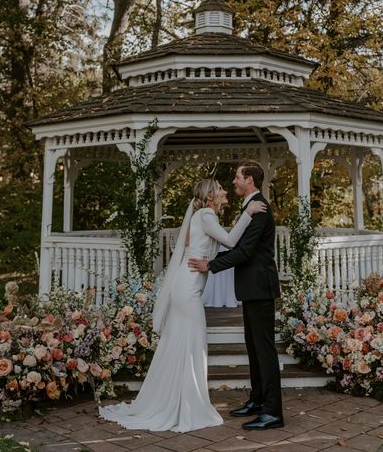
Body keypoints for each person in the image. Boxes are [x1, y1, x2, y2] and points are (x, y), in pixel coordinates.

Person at [98, 178, 266, 433]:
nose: (224, 192)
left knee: (181, 344)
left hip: (185, 286)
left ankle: (176, 402)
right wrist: (248, 212)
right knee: (193, 346)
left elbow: (219, 246)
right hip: (188, 290)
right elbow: (231, 241)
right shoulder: (207, 215)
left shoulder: (203, 216)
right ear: (211, 196)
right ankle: (189, 407)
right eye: (220, 189)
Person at [189, 160, 283, 431]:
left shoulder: (260, 208)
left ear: (250, 180)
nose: (234, 182)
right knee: (253, 347)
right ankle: (257, 400)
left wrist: (211, 265)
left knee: (264, 350)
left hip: (260, 287)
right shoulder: (249, 207)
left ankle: (273, 412)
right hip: (251, 287)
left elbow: (245, 252)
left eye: (237, 177)